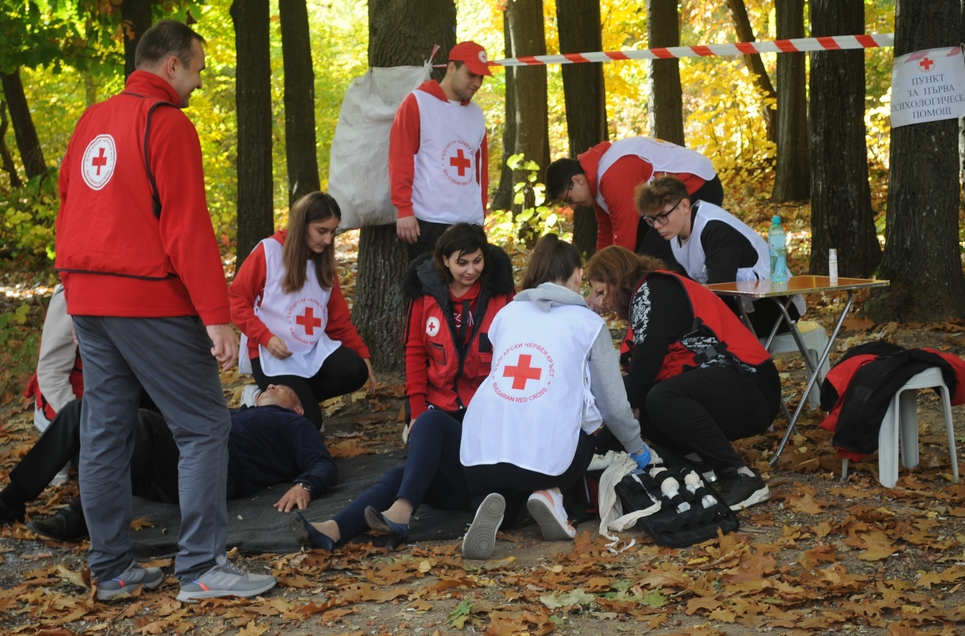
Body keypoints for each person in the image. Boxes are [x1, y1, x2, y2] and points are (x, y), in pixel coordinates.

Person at [54, 20, 274, 601]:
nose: (199, 82)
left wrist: (73, 285)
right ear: (171, 64)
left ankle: (111, 570)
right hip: (146, 298)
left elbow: (68, 204)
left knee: (105, 433)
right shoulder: (167, 122)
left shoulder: (92, 120)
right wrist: (216, 316)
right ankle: (201, 567)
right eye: (197, 70)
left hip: (87, 298)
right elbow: (186, 226)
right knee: (204, 426)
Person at [289, 223, 515, 555]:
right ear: (444, 261)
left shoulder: (501, 296)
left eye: (477, 261)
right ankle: (333, 530)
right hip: (445, 425)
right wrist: (416, 411)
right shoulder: (425, 294)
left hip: (484, 436)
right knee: (404, 468)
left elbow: (512, 356)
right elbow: (414, 351)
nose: (471, 270)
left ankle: (402, 513)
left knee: (429, 428)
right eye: (462, 263)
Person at [459, 235, 652, 559]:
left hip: (479, 460)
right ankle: (551, 493)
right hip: (548, 465)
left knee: (508, 467)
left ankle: (486, 505)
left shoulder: (506, 315)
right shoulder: (588, 324)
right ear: (578, 275)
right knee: (584, 426)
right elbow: (613, 406)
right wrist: (638, 449)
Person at [0, 385, 337, 544]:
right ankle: (11, 498)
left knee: (143, 423)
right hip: (163, 462)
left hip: (213, 472)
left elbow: (322, 463)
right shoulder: (236, 412)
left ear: (298, 409)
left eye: (283, 388)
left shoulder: (295, 425)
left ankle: (82, 515)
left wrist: (305, 485)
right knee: (84, 407)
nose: (272, 384)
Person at [585, 246, 780, 512]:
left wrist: (601, 444)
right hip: (730, 385)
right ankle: (697, 465)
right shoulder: (646, 298)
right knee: (636, 393)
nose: (601, 302)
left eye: (601, 291)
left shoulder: (654, 290)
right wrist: (600, 443)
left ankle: (740, 475)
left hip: (752, 384)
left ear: (615, 278)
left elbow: (647, 361)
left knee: (659, 397)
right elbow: (636, 379)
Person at [230, 191, 376, 431]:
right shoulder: (269, 251)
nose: (328, 239)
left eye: (333, 232)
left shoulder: (324, 263)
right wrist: (265, 337)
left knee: (355, 370)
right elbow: (237, 300)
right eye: (322, 231)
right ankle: (260, 397)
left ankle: (291, 399)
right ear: (302, 224)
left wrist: (362, 353)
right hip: (273, 355)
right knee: (310, 423)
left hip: (312, 351)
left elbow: (338, 321)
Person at [636, 176, 803, 335]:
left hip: (776, 307)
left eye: (663, 216)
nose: (657, 225)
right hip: (739, 305)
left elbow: (721, 290)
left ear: (684, 206)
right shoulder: (675, 234)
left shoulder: (714, 229)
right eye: (652, 219)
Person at [545, 137, 723, 264]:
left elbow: (625, 238)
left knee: (650, 258)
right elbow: (607, 233)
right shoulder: (597, 180)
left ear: (577, 180)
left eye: (569, 199)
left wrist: (610, 280)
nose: (572, 206)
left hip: (698, 185)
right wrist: (599, 271)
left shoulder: (613, 178)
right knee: (641, 253)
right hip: (665, 200)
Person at [391, 41, 491, 262]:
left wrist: (480, 215)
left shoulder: (476, 114)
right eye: (471, 74)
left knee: (471, 283)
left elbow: (480, 170)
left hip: (470, 223)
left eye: (481, 77)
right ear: (451, 68)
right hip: (429, 221)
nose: (477, 83)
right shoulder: (418, 102)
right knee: (429, 283)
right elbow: (400, 158)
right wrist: (404, 208)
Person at [23, 285, 83, 485]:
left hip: (98, 403)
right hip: (65, 406)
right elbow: (51, 373)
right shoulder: (68, 299)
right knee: (58, 480)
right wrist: (78, 422)